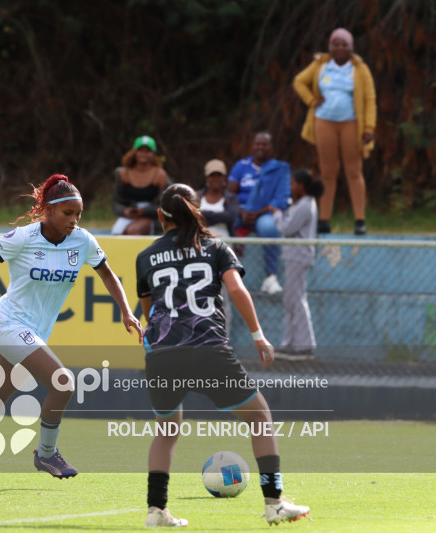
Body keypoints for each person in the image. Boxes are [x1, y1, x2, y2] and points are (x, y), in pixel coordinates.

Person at [0, 174, 144, 484]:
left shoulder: (82, 240)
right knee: (64, 383)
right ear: (48, 210)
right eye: (68, 213)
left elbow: (107, 274)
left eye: (79, 213)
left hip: (33, 332)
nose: (74, 220)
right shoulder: (23, 238)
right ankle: (46, 453)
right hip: (9, 324)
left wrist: (126, 312)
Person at [135, 183, 310, 527]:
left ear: (160, 216)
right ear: (198, 211)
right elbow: (237, 289)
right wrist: (259, 336)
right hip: (207, 349)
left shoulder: (146, 256)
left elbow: (149, 311)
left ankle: (156, 510)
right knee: (260, 416)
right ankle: (274, 502)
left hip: (162, 355)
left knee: (167, 430)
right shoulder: (216, 247)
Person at [293, 27, 377, 236]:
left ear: (351, 47)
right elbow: (299, 82)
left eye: (344, 44)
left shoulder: (359, 69)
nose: (340, 48)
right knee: (327, 172)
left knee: (354, 171)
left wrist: (369, 127)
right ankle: (324, 219)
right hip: (324, 122)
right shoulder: (321, 65)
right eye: (336, 44)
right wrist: (312, 100)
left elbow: (369, 99)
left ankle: (359, 220)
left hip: (351, 123)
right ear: (330, 47)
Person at [268, 170, 324, 361]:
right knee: (291, 300)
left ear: (302, 185)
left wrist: (277, 215)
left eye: (293, 183)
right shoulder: (302, 204)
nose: (291, 187)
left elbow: (286, 228)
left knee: (296, 299)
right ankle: (290, 343)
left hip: (298, 257)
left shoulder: (305, 205)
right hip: (295, 256)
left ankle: (304, 345)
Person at [227, 132, 291, 295]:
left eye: (265, 144)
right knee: (224, 225)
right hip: (241, 212)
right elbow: (230, 194)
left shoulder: (280, 168)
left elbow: (281, 198)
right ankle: (225, 274)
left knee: (269, 228)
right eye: (257, 144)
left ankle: (270, 276)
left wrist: (257, 212)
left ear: (271, 147)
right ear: (252, 145)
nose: (260, 147)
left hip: (265, 213)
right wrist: (241, 212)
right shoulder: (241, 165)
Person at [111, 135, 170, 235]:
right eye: (140, 150)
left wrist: (144, 211)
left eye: (148, 151)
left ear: (153, 154)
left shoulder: (160, 175)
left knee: (134, 231)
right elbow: (116, 202)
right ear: (134, 153)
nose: (144, 154)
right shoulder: (123, 173)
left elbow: (167, 204)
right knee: (117, 233)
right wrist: (124, 211)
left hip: (153, 216)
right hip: (129, 215)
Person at [196, 158, 238, 238]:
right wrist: (219, 217)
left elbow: (230, 217)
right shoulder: (196, 196)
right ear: (206, 178)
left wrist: (204, 214)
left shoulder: (231, 198)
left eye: (219, 175)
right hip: (200, 243)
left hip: (225, 243)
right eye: (212, 175)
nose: (216, 178)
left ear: (224, 177)